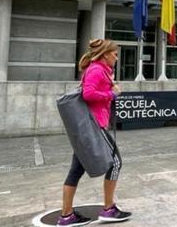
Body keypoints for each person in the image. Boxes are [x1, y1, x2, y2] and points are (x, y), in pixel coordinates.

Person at [58, 39, 132, 226]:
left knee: (76, 169)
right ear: (106, 54)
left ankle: (67, 216)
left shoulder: (100, 70)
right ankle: (109, 209)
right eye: (114, 54)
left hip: (93, 124)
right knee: (115, 163)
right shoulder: (97, 70)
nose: (116, 58)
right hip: (94, 125)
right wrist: (112, 94)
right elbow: (88, 94)